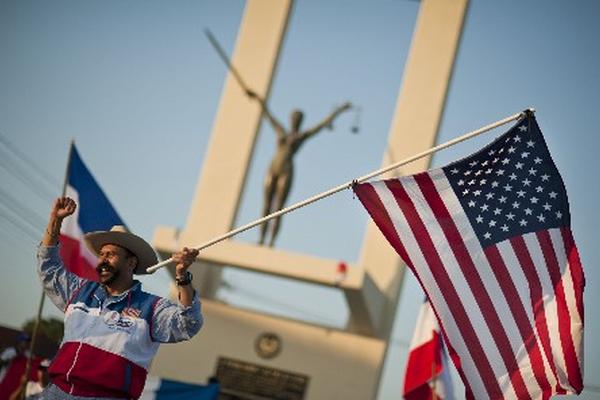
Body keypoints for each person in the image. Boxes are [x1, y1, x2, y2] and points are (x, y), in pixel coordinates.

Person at [37, 197, 203, 399]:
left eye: (111, 254)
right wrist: (55, 220)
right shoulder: (79, 290)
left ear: (131, 263)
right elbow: (49, 268)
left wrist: (182, 276)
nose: (103, 260)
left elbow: (188, 323)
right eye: (102, 254)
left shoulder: (152, 307)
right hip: (56, 392)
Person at [246, 89, 352, 246]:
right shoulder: (280, 130)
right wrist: (257, 98)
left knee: (278, 209)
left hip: (286, 170)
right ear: (290, 120)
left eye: (298, 119)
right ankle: (261, 239)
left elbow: (322, 125)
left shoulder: (302, 136)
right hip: (273, 167)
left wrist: (340, 110)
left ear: (301, 121)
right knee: (266, 204)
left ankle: (271, 242)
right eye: (294, 118)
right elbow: (268, 115)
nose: (295, 121)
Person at [0, 333, 41, 400]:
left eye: (27, 341)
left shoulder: (30, 355)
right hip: (4, 382)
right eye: (24, 340)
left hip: (17, 385)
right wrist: (17, 354)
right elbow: (2, 362)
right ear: (19, 341)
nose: (26, 343)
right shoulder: (10, 351)